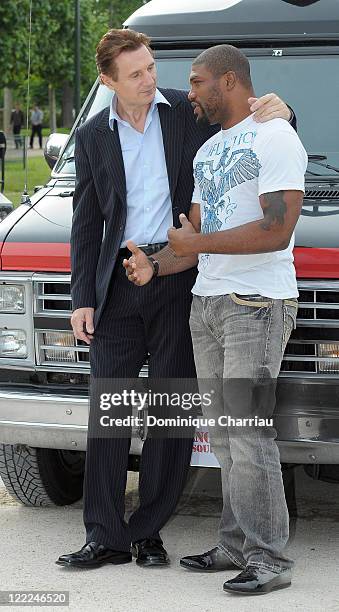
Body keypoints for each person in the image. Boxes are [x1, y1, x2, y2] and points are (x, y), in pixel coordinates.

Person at [56, 29, 295, 571]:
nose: (149, 80)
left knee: (170, 412)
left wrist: (285, 108)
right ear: (108, 81)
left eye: (150, 68)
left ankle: (147, 532)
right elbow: (86, 221)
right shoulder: (94, 135)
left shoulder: (186, 116)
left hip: (179, 275)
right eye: (135, 74)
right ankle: (105, 535)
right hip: (117, 282)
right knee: (109, 411)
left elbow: (251, 125)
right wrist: (81, 296)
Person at [124, 44, 307, 594]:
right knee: (226, 436)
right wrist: (155, 265)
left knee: (250, 436)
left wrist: (194, 242)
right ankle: (235, 544)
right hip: (207, 304)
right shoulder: (209, 152)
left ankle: (269, 558)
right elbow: (193, 240)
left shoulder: (277, 136)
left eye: (198, 81)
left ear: (228, 81)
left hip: (257, 304)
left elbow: (278, 230)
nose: (191, 91)